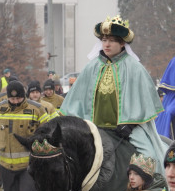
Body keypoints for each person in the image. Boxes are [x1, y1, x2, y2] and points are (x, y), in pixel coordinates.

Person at [63, 15, 168, 168]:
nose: (107, 44)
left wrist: (130, 125)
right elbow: (77, 102)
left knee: (150, 158)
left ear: (122, 43)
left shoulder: (135, 68)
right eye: (104, 40)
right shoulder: (90, 68)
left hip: (128, 130)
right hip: (94, 130)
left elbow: (144, 103)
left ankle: (157, 189)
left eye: (111, 40)